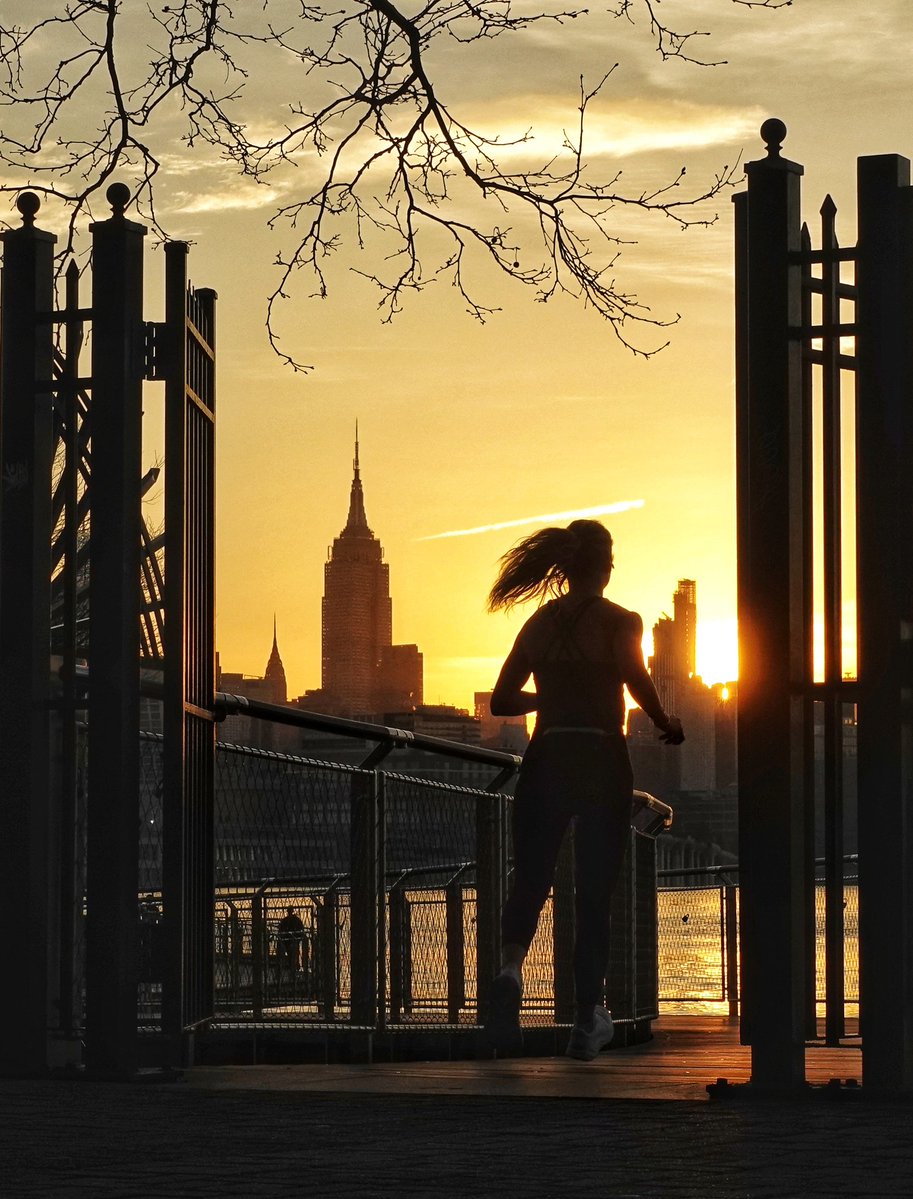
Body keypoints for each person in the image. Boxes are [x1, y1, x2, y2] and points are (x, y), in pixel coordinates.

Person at [484, 519, 684, 1060]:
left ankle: (509, 969)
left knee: (530, 879)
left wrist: (549, 703)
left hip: (546, 756)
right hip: (599, 758)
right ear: (607, 567)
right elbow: (636, 678)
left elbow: (502, 700)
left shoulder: (539, 624)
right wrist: (666, 722)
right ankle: (586, 1020)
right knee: (594, 894)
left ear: (565, 567)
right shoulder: (622, 621)